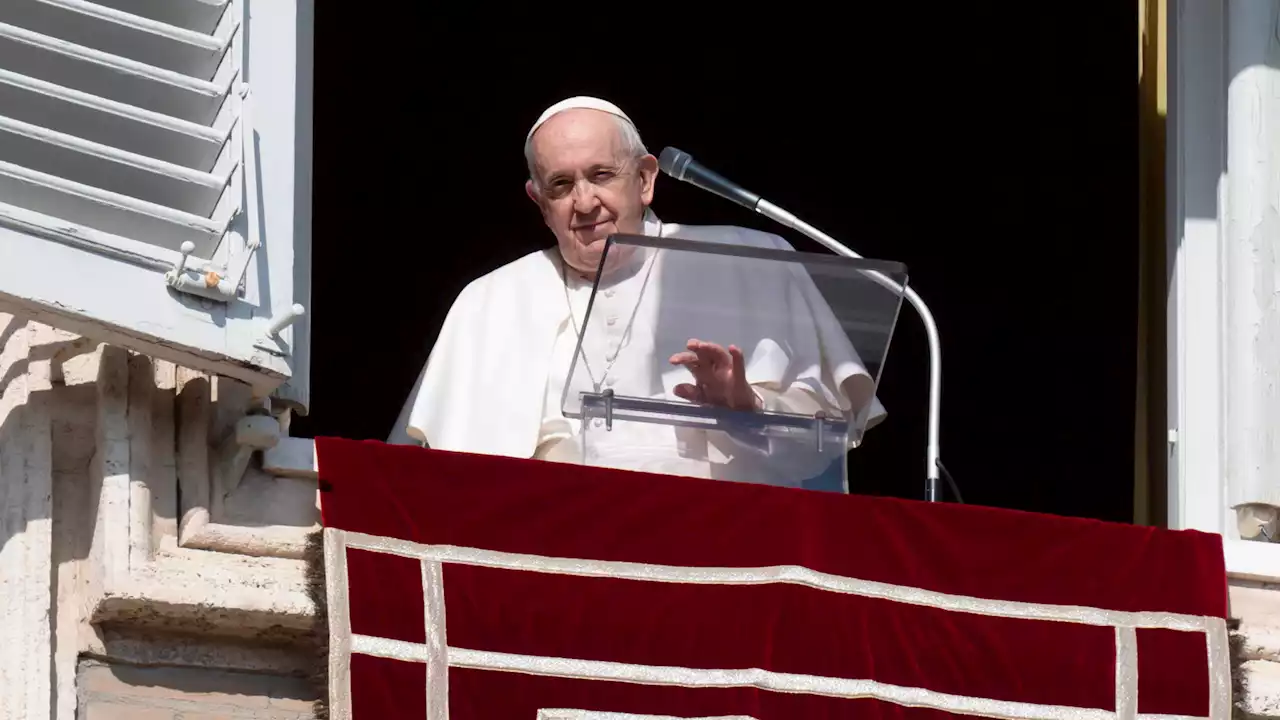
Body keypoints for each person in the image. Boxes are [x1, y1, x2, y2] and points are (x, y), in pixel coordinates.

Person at [389, 96, 886, 488]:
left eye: (601, 175)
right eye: (561, 185)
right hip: (550, 557)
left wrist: (748, 409)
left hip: (725, 551)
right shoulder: (490, 301)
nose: (585, 202)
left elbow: (822, 446)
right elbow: (427, 478)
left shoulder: (748, 259)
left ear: (645, 179)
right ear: (539, 201)